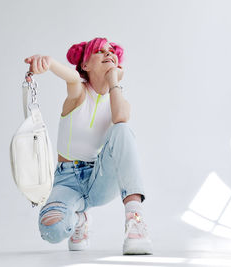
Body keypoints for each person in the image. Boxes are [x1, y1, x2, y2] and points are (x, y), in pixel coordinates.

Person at [24, 37, 153, 255]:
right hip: (67, 181)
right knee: (51, 230)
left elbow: (120, 117)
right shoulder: (79, 92)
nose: (108, 54)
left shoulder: (117, 98)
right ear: (85, 65)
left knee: (121, 130)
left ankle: (135, 222)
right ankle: (79, 219)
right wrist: (48, 62)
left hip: (99, 179)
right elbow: (71, 76)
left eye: (111, 51)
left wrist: (114, 81)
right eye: (100, 52)